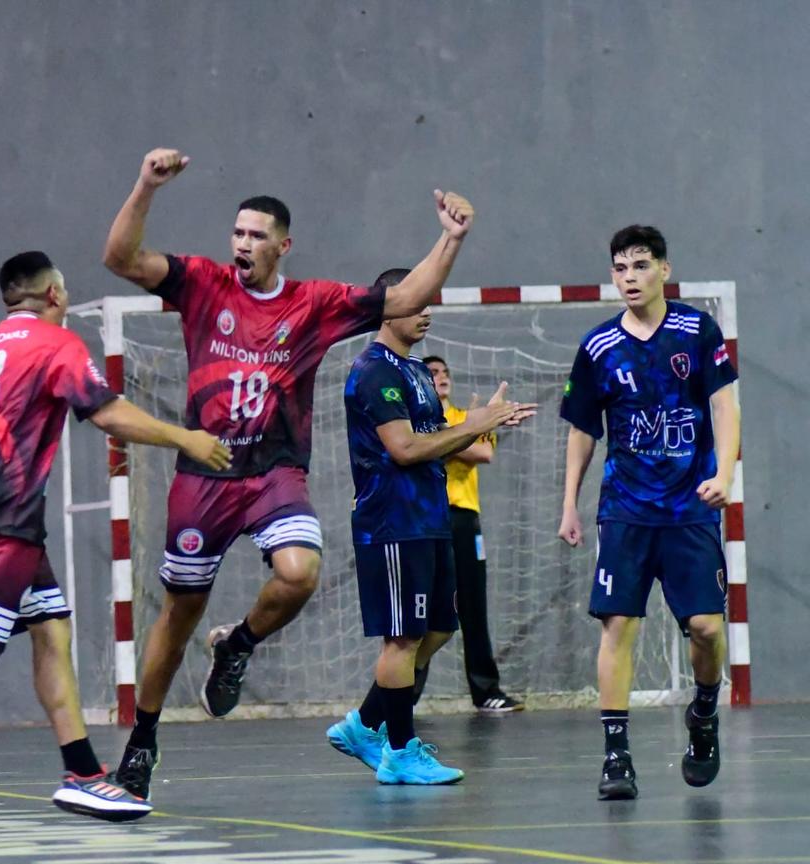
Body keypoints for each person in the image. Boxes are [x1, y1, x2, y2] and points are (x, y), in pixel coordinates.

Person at [101, 146, 476, 801]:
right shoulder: (201, 284)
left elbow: (409, 293)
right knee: (179, 614)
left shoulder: (314, 304)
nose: (242, 244)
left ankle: (242, 641)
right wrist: (144, 185)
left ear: (283, 246)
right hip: (205, 475)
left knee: (300, 571)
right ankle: (142, 745)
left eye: (256, 236)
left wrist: (449, 238)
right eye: (236, 233)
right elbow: (121, 258)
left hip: (274, 471)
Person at [0, 251, 231, 826]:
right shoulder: (57, 344)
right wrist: (187, 439)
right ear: (54, 293)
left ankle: (82, 773)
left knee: (52, 631)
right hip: (5, 514)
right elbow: (108, 414)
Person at [326, 271, 536, 783]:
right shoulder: (374, 372)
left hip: (432, 518)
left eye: (430, 303)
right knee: (401, 639)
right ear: (388, 307)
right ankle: (399, 751)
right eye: (418, 302)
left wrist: (481, 420)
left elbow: (435, 435)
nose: (427, 312)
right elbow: (404, 449)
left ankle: (364, 723)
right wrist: (473, 425)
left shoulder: (418, 370)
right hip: (393, 521)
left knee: (441, 626)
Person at [558, 225, 740, 801]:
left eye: (640, 266)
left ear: (664, 269)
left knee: (708, 629)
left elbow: (723, 405)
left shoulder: (696, 331)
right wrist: (570, 503)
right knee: (619, 626)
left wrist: (725, 474)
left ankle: (704, 716)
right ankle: (616, 757)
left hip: (690, 508)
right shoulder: (598, 348)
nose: (629, 277)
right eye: (619, 268)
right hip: (627, 511)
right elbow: (583, 429)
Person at [419, 354, 524, 713]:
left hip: (465, 519)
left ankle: (485, 690)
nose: (442, 377)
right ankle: (405, 692)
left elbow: (482, 452)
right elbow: (429, 448)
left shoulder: (467, 418)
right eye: (433, 373)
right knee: (429, 610)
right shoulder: (421, 419)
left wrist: (469, 431)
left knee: (474, 606)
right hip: (432, 518)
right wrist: (460, 436)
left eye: (445, 372)